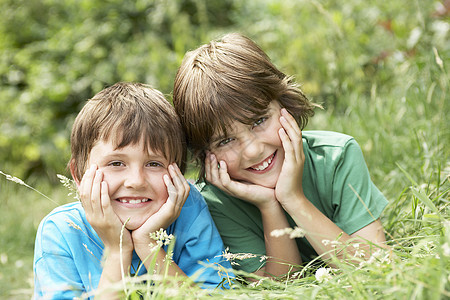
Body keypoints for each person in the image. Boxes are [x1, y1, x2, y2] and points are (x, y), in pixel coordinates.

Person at [172, 33, 389, 278]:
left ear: (284, 104)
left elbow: (377, 267)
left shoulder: (336, 157)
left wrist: (294, 199)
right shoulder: (216, 203)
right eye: (226, 140)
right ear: (205, 154)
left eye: (259, 120)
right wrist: (269, 205)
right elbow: (282, 284)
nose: (253, 150)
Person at [33, 82, 233, 299]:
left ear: (178, 175)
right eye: (116, 163)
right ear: (79, 175)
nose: (136, 181)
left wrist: (148, 244)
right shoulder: (61, 232)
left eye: (154, 164)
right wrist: (117, 251)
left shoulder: (190, 210)